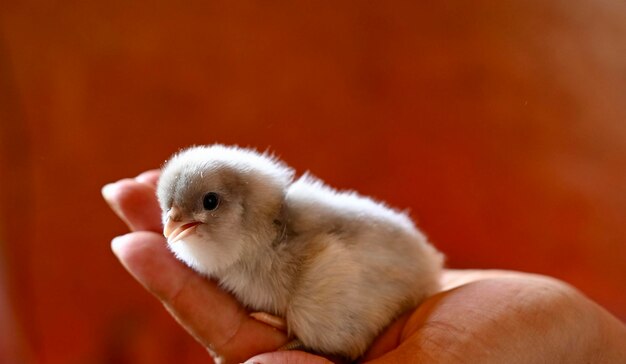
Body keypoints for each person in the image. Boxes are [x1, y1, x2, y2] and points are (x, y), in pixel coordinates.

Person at [102, 170, 626, 364]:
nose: (180, 223)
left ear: (243, 200)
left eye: (207, 204)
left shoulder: (286, 225)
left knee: (317, 307)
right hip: (407, 269)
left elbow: (354, 253)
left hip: (385, 278)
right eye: (175, 212)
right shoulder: (248, 239)